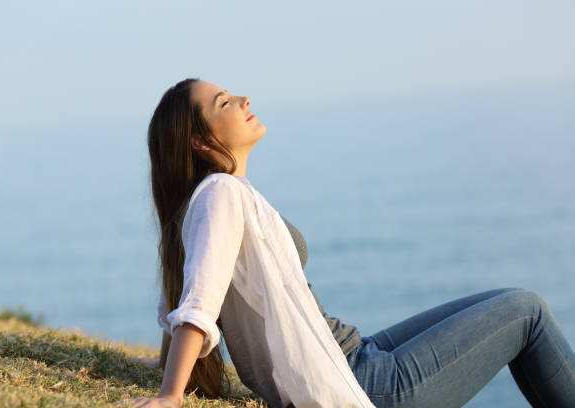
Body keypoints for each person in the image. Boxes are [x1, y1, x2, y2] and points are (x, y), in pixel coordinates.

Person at [125, 78, 575, 408]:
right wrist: (170, 395)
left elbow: (184, 292)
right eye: (224, 102)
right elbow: (198, 301)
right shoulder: (220, 195)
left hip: (355, 354)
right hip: (367, 385)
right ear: (202, 141)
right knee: (526, 311)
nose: (244, 99)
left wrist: (167, 367)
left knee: (505, 301)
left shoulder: (218, 200)